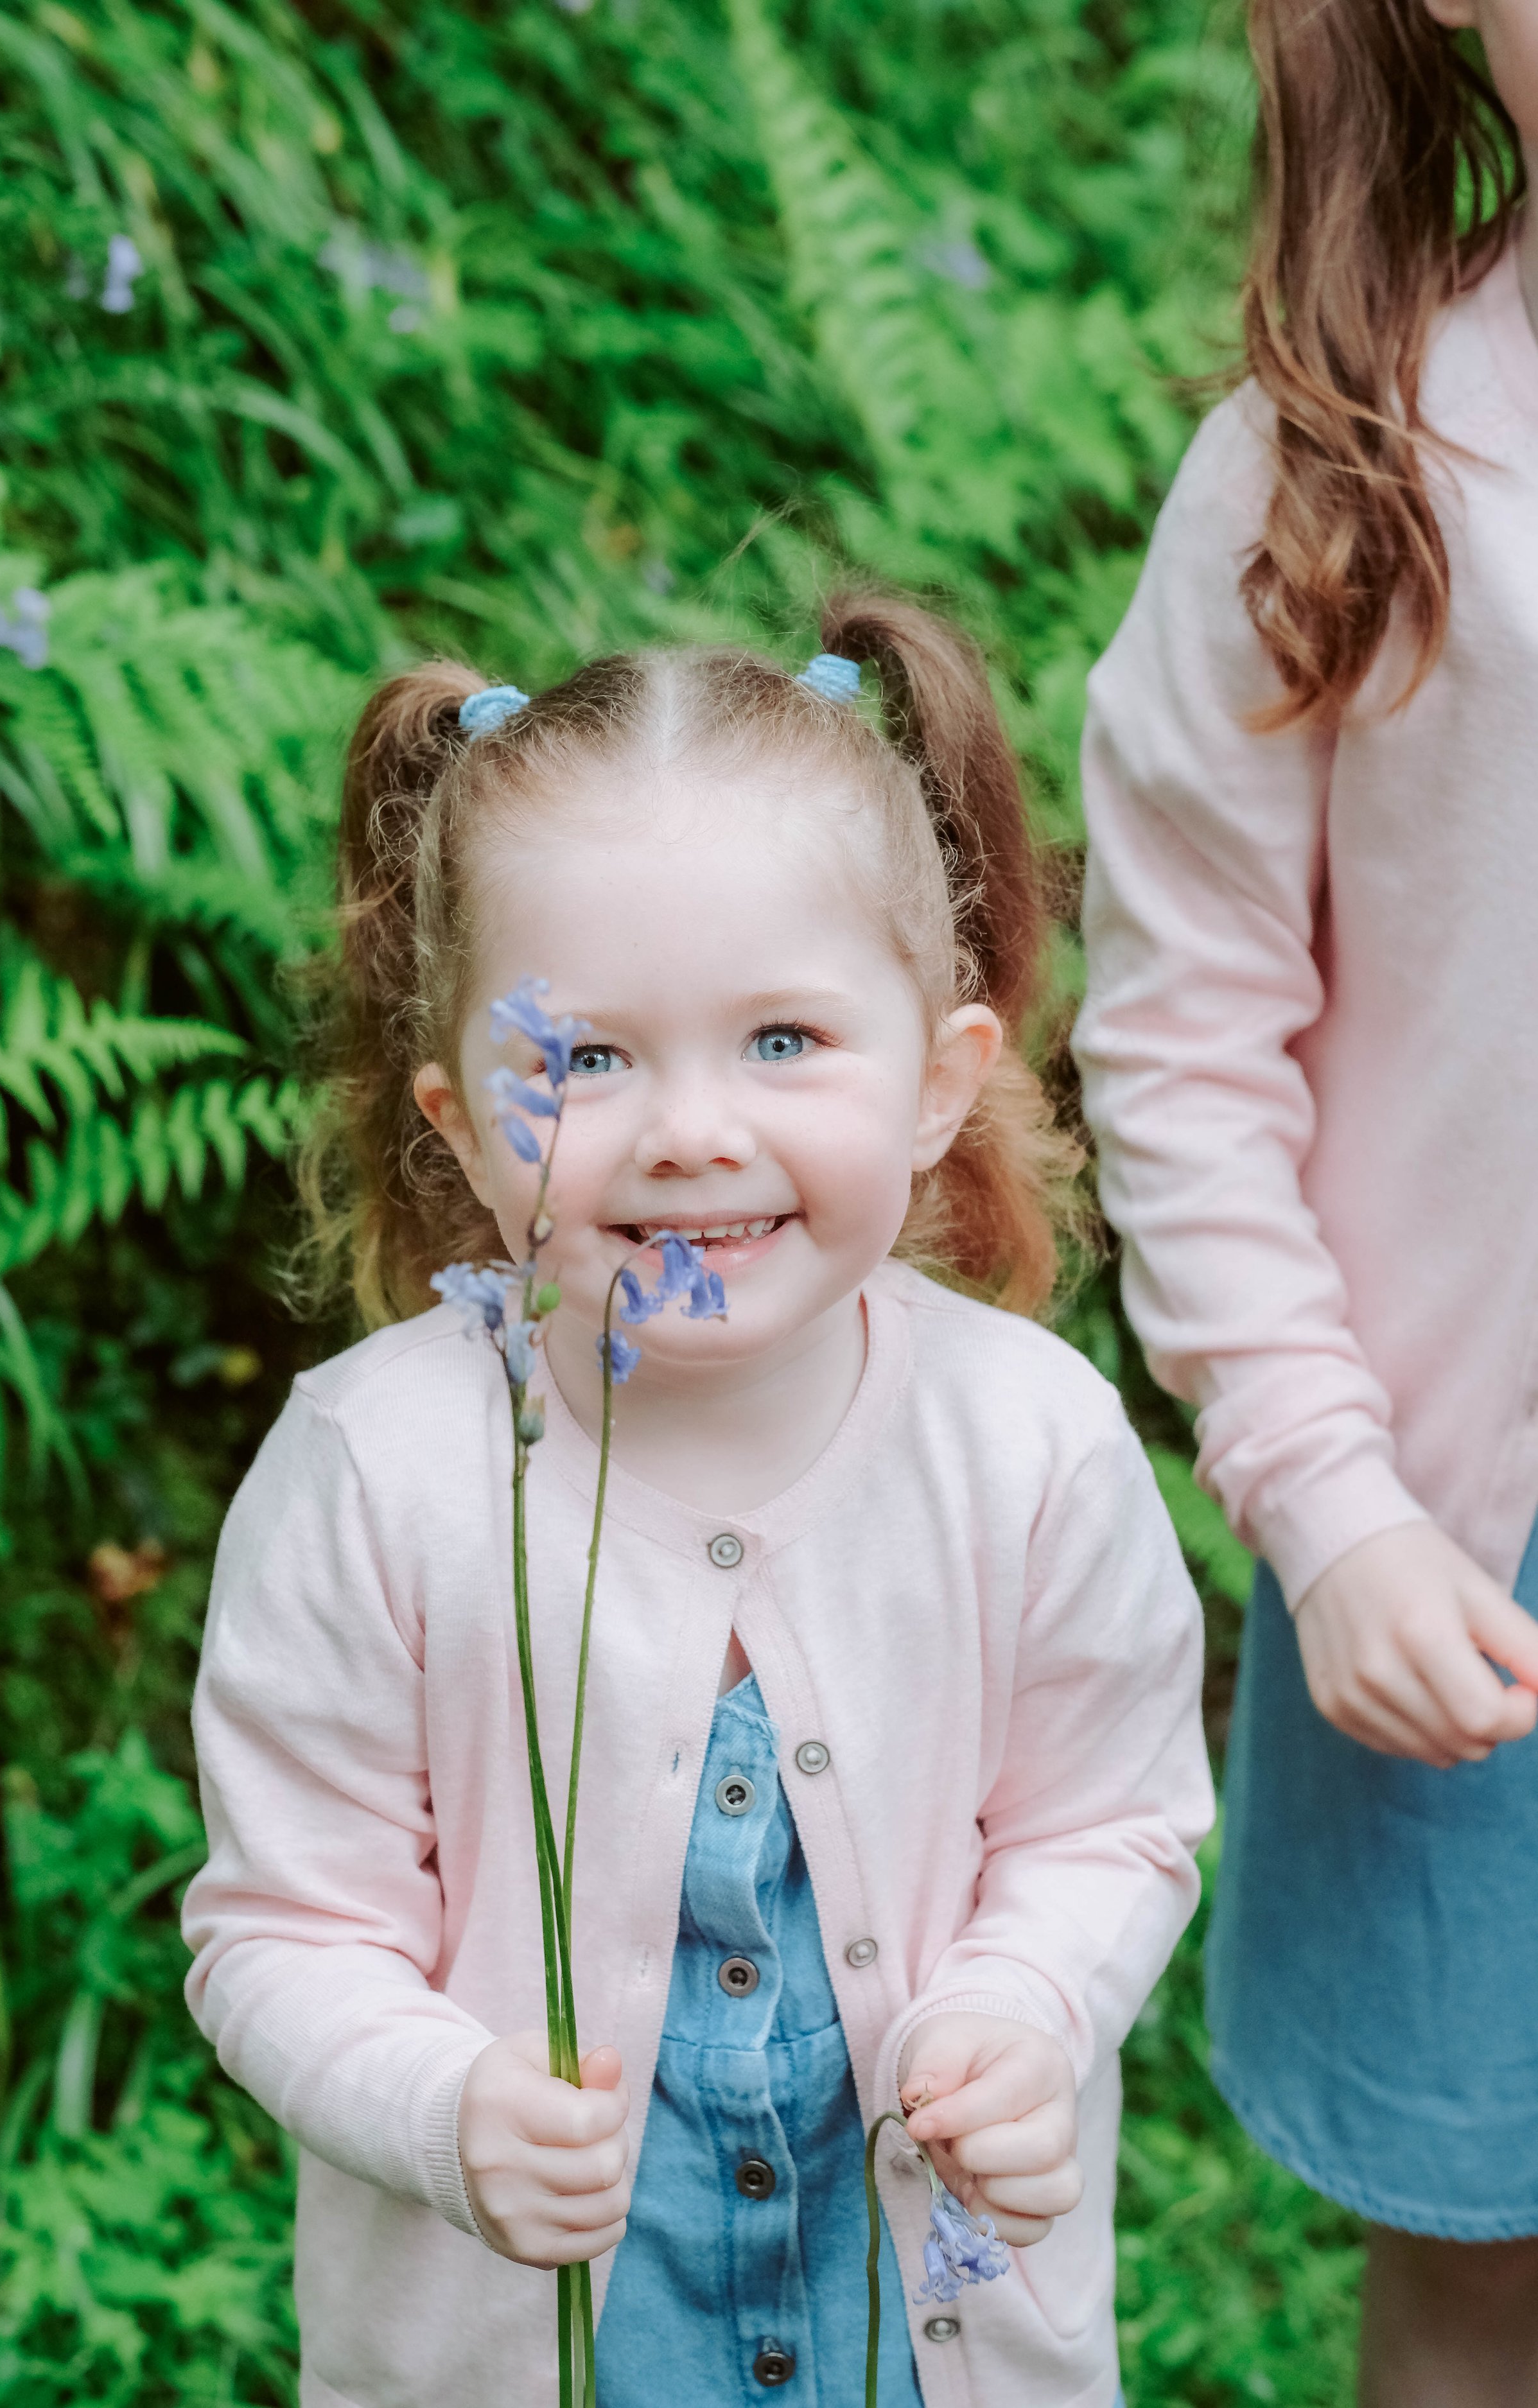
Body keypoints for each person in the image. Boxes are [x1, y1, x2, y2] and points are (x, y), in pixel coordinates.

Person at [182, 594, 1210, 2408]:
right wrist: (442, 2108)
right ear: (461, 1119)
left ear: (937, 1079)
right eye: (581, 1060)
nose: (687, 1129)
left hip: (920, 2330)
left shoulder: (1030, 1443)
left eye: (783, 1042)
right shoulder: (382, 1476)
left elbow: (1106, 1827)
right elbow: (283, 1930)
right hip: (541, 2348)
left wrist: (1018, 2016)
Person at [1071, 0, 1538, 2398]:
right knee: (1480, 2245)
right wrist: (1328, 1503)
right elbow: (1178, 1027)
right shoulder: (1334, 464)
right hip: (1466, 1540)